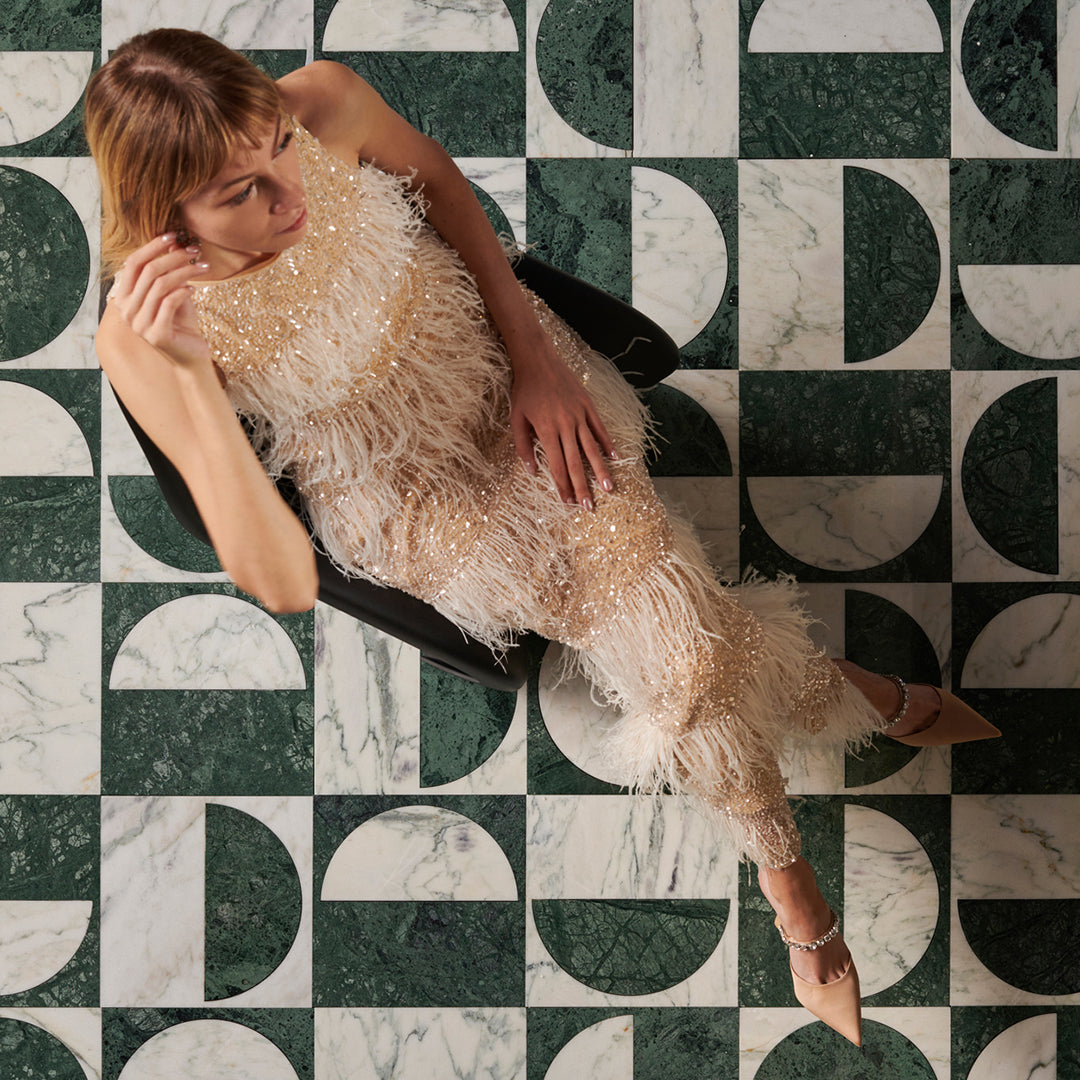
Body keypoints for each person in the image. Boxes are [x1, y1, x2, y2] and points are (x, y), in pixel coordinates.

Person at [86, 29, 999, 1046]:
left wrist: (535, 357)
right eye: (239, 192)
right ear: (164, 216)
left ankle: (806, 902)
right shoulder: (144, 334)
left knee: (685, 655)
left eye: (279, 149)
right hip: (420, 504)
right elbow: (277, 575)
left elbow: (437, 188)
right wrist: (191, 392)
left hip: (507, 376)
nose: (286, 193)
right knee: (686, 652)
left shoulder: (326, 100)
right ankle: (840, 758)